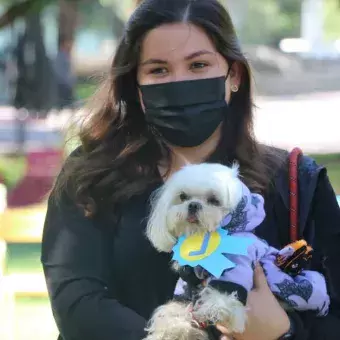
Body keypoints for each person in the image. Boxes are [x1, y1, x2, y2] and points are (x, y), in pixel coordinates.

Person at [41, 0, 340, 339]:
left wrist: (283, 332)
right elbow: (78, 304)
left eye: (198, 65)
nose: (179, 82)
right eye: (158, 70)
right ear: (136, 88)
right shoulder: (91, 176)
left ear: (234, 75)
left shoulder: (296, 182)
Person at [54, 34, 75, 109]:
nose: (70, 45)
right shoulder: (60, 56)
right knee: (65, 106)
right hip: (63, 85)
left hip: (66, 85)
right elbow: (60, 73)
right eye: (68, 42)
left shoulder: (65, 55)